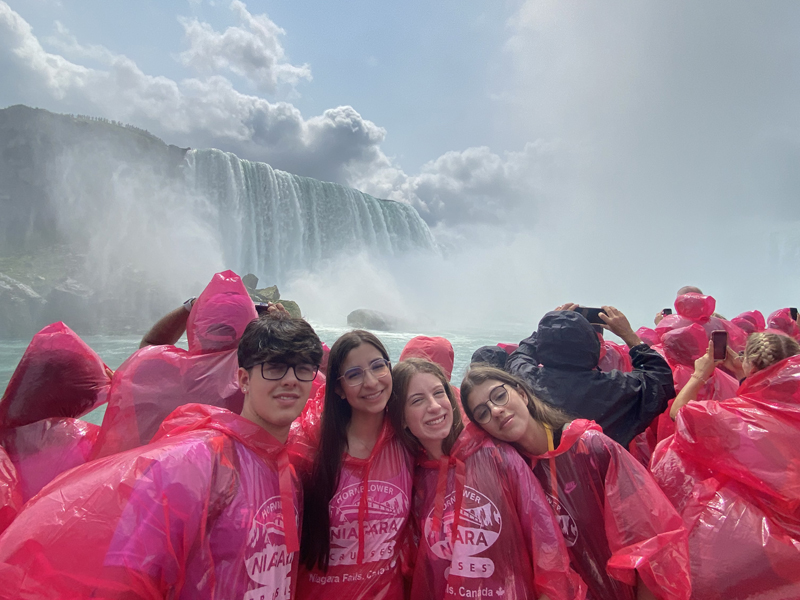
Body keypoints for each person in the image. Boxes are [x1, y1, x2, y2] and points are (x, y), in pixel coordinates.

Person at [0, 312, 323, 599]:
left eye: (302, 369)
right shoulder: (196, 461)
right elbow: (124, 574)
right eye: (274, 368)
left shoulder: (290, 469)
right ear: (243, 379)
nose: (290, 380)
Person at [460, 365, 691, 600]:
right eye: (483, 413)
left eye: (499, 395)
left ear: (521, 393)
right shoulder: (509, 478)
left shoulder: (591, 449)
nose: (496, 410)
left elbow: (649, 545)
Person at [388, 358, 586, 600]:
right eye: (417, 400)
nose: (434, 406)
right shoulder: (414, 480)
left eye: (439, 393)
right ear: (402, 419)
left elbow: (547, 547)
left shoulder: (496, 456)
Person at [652, 332, 800, 598]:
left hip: (756, 551)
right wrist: (744, 374)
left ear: (750, 366)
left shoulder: (733, 416)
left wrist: (700, 374)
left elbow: (680, 414)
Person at [92, 270, 258, 458]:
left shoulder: (148, 372)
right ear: (250, 332)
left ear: (195, 326)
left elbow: (151, 344)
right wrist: (279, 323)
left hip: (149, 473)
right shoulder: (254, 382)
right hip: (225, 474)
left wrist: (190, 306)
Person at [298, 330, 412, 600]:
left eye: (378, 366)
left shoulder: (409, 443)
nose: (371, 382)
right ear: (338, 389)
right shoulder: (309, 446)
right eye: (354, 374)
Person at [506, 305, 675, 447]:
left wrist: (551, 326)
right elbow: (660, 378)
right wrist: (629, 335)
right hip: (604, 473)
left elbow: (518, 357)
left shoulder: (525, 380)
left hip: (545, 474)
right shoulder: (617, 389)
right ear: (594, 347)